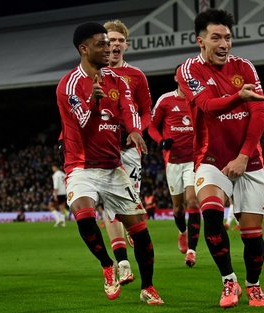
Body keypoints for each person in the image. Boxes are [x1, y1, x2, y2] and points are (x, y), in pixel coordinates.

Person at [56, 22, 163, 304]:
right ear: (84, 49)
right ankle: (107, 264)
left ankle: (148, 287)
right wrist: (92, 101)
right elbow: (80, 123)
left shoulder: (118, 80)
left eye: (110, 43)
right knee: (83, 213)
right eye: (101, 44)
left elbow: (128, 109)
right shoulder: (68, 84)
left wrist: (134, 129)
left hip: (112, 166)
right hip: (81, 166)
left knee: (139, 230)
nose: (109, 49)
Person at [177, 8, 264, 308]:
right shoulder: (188, 71)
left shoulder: (244, 67)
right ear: (200, 41)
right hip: (211, 157)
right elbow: (207, 105)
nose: (224, 44)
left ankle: (253, 285)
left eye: (228, 38)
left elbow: (259, 113)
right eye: (216, 38)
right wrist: (238, 97)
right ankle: (229, 281)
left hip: (249, 160)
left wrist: (244, 157)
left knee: (252, 235)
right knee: (210, 214)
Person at [100, 19, 154, 284]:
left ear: (126, 45)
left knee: (129, 201)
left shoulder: (136, 76)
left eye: (120, 40)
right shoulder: (92, 75)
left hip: (130, 149)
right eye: (110, 40)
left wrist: (136, 130)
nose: (115, 44)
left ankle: (133, 227)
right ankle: (122, 262)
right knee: (110, 204)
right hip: (101, 148)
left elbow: (146, 111)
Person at [148, 65, 201, 267]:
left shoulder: (198, 99)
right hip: (173, 162)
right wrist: (161, 140)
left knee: (193, 202)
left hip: (194, 160)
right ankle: (182, 232)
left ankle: (192, 251)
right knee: (178, 209)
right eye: (183, 77)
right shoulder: (166, 100)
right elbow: (151, 125)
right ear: (176, 78)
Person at [48, 163, 67, 227]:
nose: (52, 169)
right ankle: (63, 223)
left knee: (51, 206)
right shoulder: (63, 174)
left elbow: (56, 185)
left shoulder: (56, 175)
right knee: (62, 207)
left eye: (53, 168)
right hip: (64, 192)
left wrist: (55, 194)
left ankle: (58, 219)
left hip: (58, 193)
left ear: (55, 167)